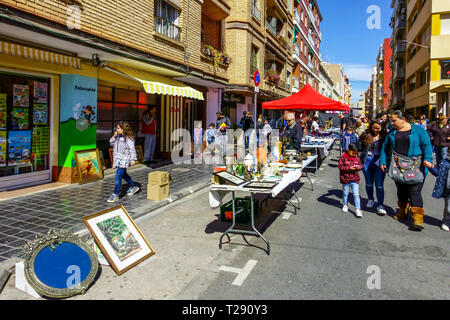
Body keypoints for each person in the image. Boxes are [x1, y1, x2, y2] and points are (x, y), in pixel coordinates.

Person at [380, 110, 434, 230]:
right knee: (401, 190)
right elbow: (385, 147)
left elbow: (427, 145)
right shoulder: (392, 132)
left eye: (394, 120)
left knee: (414, 191)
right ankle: (403, 212)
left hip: (416, 166)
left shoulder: (419, 130)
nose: (392, 123)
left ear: (403, 119)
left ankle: (418, 218)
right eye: (391, 120)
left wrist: (428, 159)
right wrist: (383, 161)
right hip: (398, 166)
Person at [359, 120, 388, 215]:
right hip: (367, 160)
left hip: (379, 161)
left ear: (382, 128)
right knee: (369, 183)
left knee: (379, 185)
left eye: (378, 128)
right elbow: (359, 146)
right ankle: (370, 199)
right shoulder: (365, 134)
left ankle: (380, 205)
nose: (375, 130)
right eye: (374, 127)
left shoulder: (385, 137)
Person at [107, 121, 139, 203]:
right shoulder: (117, 137)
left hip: (124, 160)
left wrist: (133, 160)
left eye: (118, 128)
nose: (116, 129)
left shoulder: (128, 139)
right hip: (118, 159)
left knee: (118, 176)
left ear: (123, 129)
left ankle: (115, 194)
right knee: (124, 175)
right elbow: (111, 143)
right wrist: (114, 137)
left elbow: (132, 150)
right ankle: (133, 186)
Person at [338, 143, 364, 218]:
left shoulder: (357, 158)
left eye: (356, 153)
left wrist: (359, 167)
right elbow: (340, 166)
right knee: (345, 193)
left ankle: (357, 209)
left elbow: (361, 165)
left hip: (355, 179)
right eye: (353, 153)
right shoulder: (343, 157)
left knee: (356, 194)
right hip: (345, 179)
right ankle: (345, 204)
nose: (354, 155)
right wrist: (348, 168)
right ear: (349, 150)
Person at [429, 154, 450, 231]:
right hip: (449, 190)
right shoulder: (446, 163)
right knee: (449, 208)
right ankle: (447, 222)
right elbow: (439, 174)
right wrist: (431, 167)